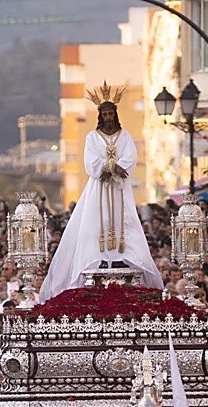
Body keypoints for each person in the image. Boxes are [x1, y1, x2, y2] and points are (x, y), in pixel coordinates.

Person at [39, 82, 163, 301]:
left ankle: (120, 255)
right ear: (100, 116)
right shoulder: (92, 137)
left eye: (110, 113)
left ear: (115, 114)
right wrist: (105, 168)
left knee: (122, 220)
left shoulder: (124, 136)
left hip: (119, 187)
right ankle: (100, 256)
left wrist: (116, 168)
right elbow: (91, 161)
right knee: (97, 220)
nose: (107, 117)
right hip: (100, 185)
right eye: (104, 114)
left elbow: (129, 157)